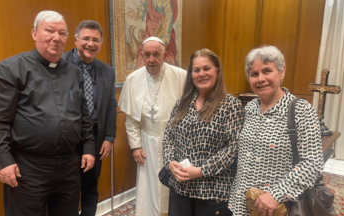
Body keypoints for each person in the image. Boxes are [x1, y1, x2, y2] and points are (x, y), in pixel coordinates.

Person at [0, 11, 95, 216]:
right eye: (50, 31)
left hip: (69, 167)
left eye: (62, 33)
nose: (56, 37)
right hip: (28, 168)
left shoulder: (74, 72)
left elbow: (84, 114)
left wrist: (88, 147)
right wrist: (3, 160)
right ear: (35, 33)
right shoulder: (10, 69)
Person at [228, 46, 324, 216]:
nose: (260, 79)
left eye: (267, 71)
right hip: (240, 205)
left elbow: (312, 164)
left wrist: (275, 194)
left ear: (281, 72)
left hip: (276, 207)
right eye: (254, 74)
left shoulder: (301, 110)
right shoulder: (249, 108)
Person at [162, 48, 244, 216]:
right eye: (196, 70)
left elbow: (234, 147)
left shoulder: (231, 105)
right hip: (181, 188)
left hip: (213, 192)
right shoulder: (182, 103)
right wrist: (170, 163)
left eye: (207, 68)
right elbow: (168, 137)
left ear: (217, 71)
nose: (201, 74)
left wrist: (201, 170)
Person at [118, 36, 187, 216]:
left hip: (175, 143)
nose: (151, 60)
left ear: (164, 55)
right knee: (149, 187)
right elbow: (131, 120)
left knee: (174, 185)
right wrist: (136, 146)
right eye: (147, 55)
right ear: (141, 55)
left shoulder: (182, 76)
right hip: (147, 142)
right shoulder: (133, 79)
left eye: (156, 54)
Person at [63, 20, 117, 216]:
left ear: (101, 44)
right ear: (76, 40)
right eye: (86, 38)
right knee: (67, 191)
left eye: (96, 40)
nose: (90, 44)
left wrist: (109, 138)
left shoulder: (107, 71)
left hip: (95, 137)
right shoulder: (60, 64)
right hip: (67, 138)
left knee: (91, 186)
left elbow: (111, 105)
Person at [126, 0, 179, 68]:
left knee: (166, 56)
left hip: (163, 27)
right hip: (150, 26)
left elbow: (169, 13)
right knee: (143, 55)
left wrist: (165, 36)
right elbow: (142, 6)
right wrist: (137, 15)